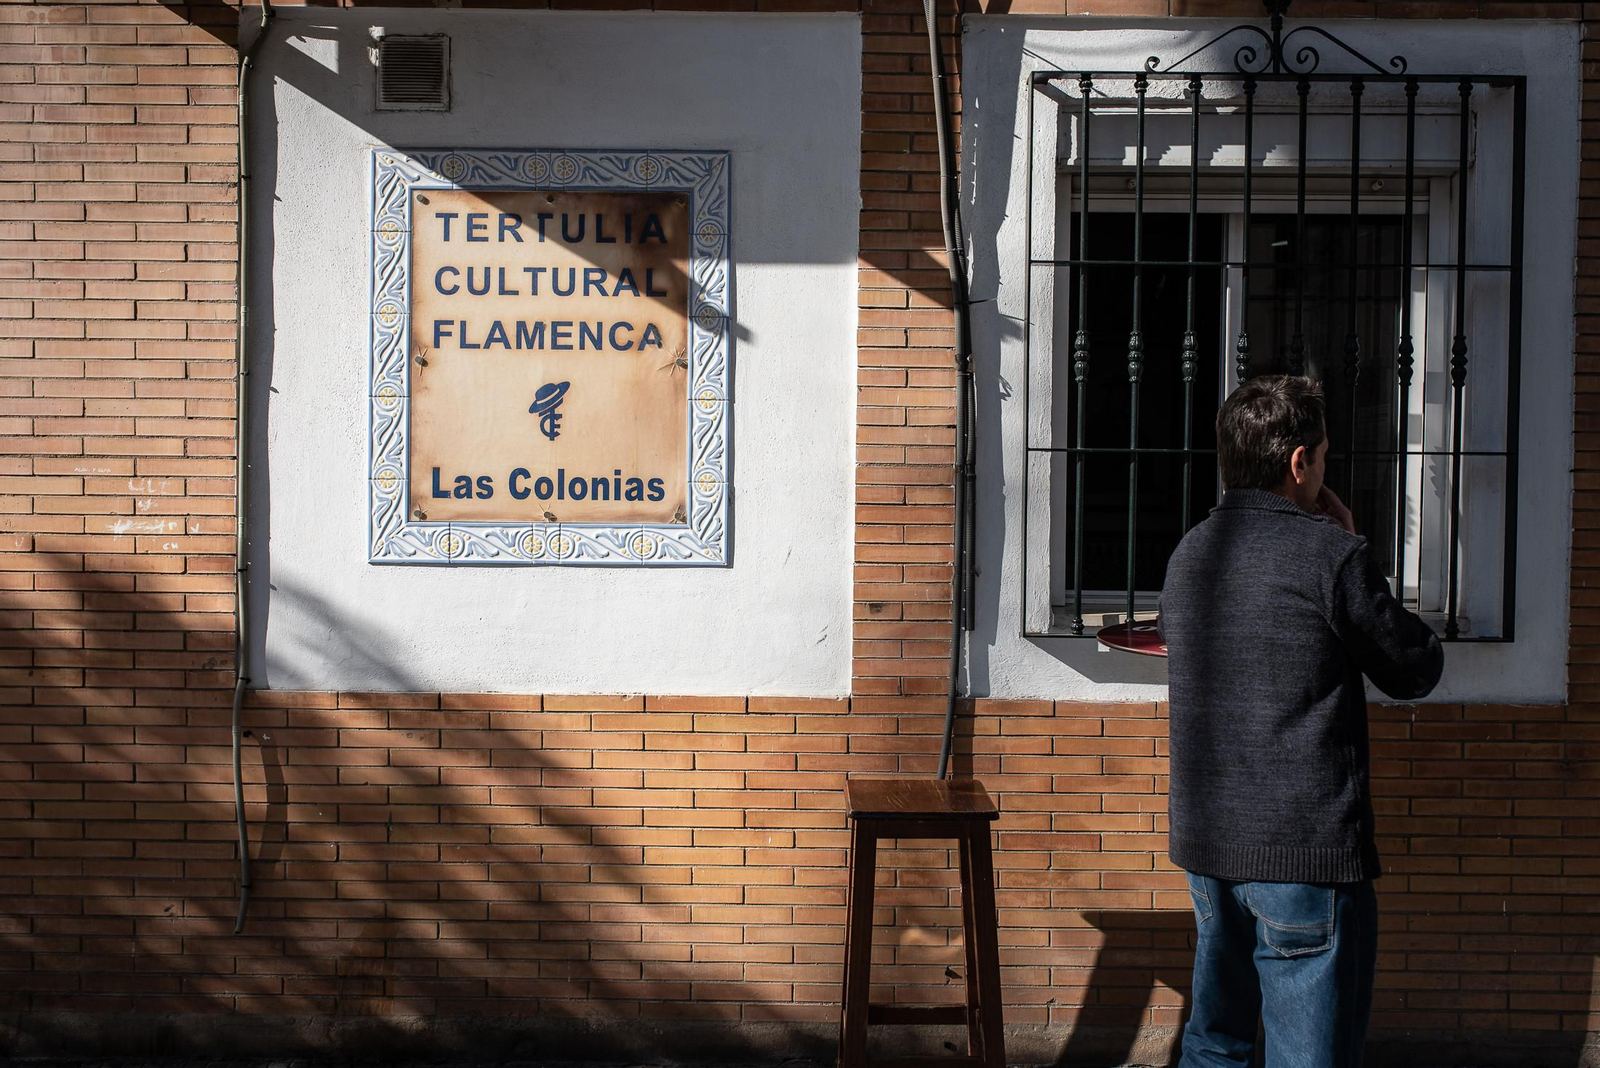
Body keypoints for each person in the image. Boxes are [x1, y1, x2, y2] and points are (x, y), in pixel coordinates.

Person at [1158, 375, 1443, 1068]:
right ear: (1299, 464)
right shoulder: (1331, 556)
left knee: (1215, 1043)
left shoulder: (1190, 553)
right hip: (1303, 853)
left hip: (1210, 845)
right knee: (1309, 1055)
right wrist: (1351, 550)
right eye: (1321, 458)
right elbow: (1412, 668)